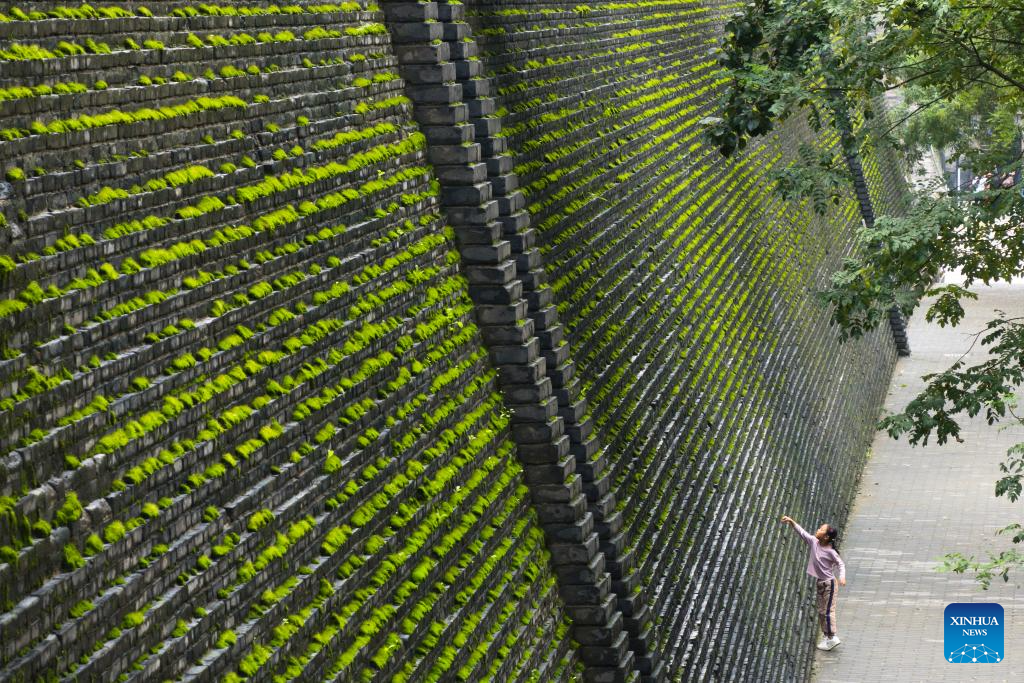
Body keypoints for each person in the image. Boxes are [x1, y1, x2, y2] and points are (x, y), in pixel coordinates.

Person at [780, 515, 846, 651]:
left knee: (828, 611)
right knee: (821, 611)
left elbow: (841, 564)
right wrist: (792, 522)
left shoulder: (831, 552)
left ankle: (832, 637)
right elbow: (802, 532)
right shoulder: (813, 542)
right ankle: (827, 637)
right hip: (821, 583)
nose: (817, 529)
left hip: (830, 584)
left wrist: (842, 577)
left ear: (826, 537)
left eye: (821, 529)